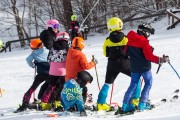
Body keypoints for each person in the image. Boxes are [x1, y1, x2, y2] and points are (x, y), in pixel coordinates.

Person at [121, 24, 169, 113]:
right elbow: (149, 57)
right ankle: (143, 104)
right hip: (145, 67)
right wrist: (161, 60)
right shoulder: (144, 41)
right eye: (148, 33)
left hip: (134, 67)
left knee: (133, 85)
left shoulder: (130, 39)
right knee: (148, 83)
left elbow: (126, 52)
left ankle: (126, 105)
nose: (148, 35)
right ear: (144, 32)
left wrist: (139, 53)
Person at [96, 17, 141, 111]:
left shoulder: (107, 40)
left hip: (112, 65)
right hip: (125, 64)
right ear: (120, 25)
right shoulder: (126, 38)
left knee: (107, 84)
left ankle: (101, 104)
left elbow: (106, 53)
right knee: (136, 79)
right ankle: (135, 100)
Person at [15, 39, 50, 113]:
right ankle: (45, 100)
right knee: (49, 86)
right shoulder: (48, 50)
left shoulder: (34, 54)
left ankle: (25, 102)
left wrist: (33, 65)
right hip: (50, 73)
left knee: (33, 87)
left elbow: (28, 59)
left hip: (41, 74)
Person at [41, 32, 69, 111]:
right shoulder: (67, 47)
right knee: (60, 87)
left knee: (50, 87)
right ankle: (57, 102)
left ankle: (44, 103)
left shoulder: (52, 47)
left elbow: (48, 59)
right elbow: (68, 59)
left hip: (52, 70)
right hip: (63, 71)